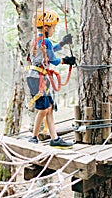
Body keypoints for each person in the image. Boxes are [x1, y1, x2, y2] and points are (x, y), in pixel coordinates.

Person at [26, 9, 76, 149]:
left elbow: (50, 51)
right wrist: (66, 60)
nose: (54, 30)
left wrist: (62, 43)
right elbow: (53, 60)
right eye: (53, 27)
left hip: (36, 76)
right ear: (46, 27)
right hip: (38, 77)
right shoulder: (45, 41)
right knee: (44, 109)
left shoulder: (38, 40)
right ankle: (34, 137)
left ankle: (54, 138)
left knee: (49, 109)